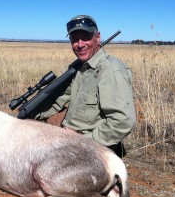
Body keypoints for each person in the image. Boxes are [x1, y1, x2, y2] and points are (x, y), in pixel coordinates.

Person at [35, 15, 136, 158]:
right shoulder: (79, 68)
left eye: (85, 37)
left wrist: (82, 141)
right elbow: (57, 100)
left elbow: (123, 121)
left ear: (98, 37)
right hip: (68, 136)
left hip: (89, 149)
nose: (80, 44)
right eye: (75, 39)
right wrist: (30, 115)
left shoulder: (110, 69)